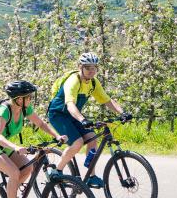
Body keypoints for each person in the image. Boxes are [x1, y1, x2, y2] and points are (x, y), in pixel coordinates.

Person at [0, 80, 67, 198]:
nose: (31, 99)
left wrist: (56, 136)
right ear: (19, 99)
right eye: (29, 96)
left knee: (27, 168)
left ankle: (9, 194)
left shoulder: (25, 109)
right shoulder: (4, 111)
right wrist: (16, 147)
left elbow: (41, 124)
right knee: (14, 172)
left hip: (4, 145)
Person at [46, 52, 127, 188]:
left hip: (73, 115)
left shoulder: (93, 83)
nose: (91, 70)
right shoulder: (73, 80)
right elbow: (70, 104)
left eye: (94, 67)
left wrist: (123, 112)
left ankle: (91, 176)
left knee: (92, 138)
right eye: (88, 67)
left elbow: (107, 100)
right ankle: (56, 171)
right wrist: (83, 119)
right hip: (58, 114)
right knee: (77, 143)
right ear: (80, 67)